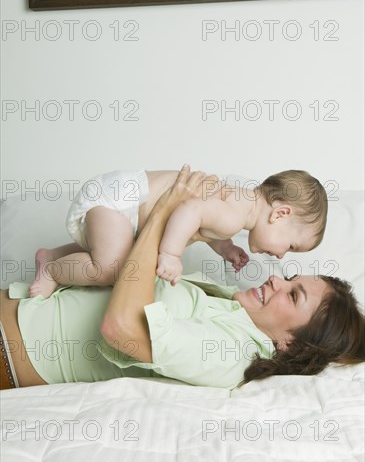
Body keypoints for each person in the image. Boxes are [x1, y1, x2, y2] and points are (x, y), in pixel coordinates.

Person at [0, 166, 363, 391]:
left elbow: (122, 328)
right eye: (290, 278)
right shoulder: (230, 301)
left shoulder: (230, 353)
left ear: (290, 344)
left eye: (293, 296)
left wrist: (162, 211)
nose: (276, 280)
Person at [28, 167, 328, 298]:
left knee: (113, 253)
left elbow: (203, 219)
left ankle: (51, 255)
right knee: (112, 269)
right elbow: (189, 212)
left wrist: (224, 249)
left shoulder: (236, 205)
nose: (280, 255)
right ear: (280, 213)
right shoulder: (233, 217)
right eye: (290, 246)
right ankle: (54, 270)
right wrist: (170, 255)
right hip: (121, 202)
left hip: (122, 196)